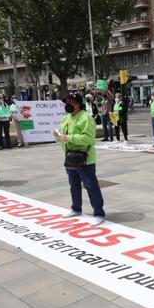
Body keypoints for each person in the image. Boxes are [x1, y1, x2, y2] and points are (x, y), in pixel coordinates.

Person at [54, 94, 105, 225]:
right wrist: (58, 137)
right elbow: (62, 137)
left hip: (85, 158)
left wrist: (68, 137)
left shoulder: (86, 118)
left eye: (71, 101)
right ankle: (76, 208)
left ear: (78, 103)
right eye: (66, 101)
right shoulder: (66, 118)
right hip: (70, 157)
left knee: (91, 185)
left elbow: (88, 138)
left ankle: (99, 213)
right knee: (73, 184)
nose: (68, 104)